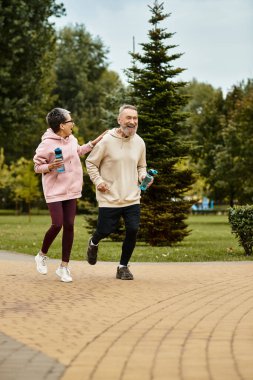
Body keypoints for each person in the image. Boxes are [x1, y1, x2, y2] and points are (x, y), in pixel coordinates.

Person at [33, 107, 107, 283]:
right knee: (57, 224)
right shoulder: (47, 144)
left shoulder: (71, 138)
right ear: (61, 125)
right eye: (70, 121)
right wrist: (50, 166)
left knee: (69, 225)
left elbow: (78, 151)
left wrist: (94, 142)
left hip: (71, 189)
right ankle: (41, 255)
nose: (72, 123)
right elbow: (37, 166)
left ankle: (64, 267)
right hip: (54, 190)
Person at [85, 104, 153, 280]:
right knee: (105, 230)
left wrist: (144, 176)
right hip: (110, 197)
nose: (132, 122)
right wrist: (98, 181)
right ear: (119, 120)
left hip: (132, 197)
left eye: (135, 118)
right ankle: (93, 242)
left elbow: (141, 165)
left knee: (133, 229)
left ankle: (123, 267)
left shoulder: (139, 142)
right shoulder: (107, 140)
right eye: (128, 118)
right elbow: (91, 162)